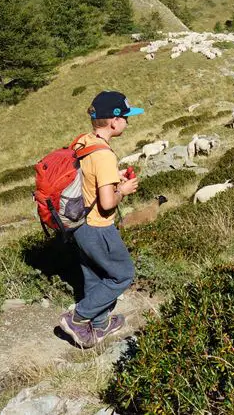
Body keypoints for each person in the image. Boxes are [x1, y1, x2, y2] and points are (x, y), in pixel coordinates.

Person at [59, 90, 142, 349]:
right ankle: (77, 318)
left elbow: (88, 176)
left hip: (78, 225)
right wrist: (122, 190)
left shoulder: (84, 142)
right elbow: (107, 203)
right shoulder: (104, 154)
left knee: (95, 274)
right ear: (114, 121)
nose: (128, 122)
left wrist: (111, 176)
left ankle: (100, 324)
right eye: (127, 117)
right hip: (98, 227)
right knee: (122, 275)